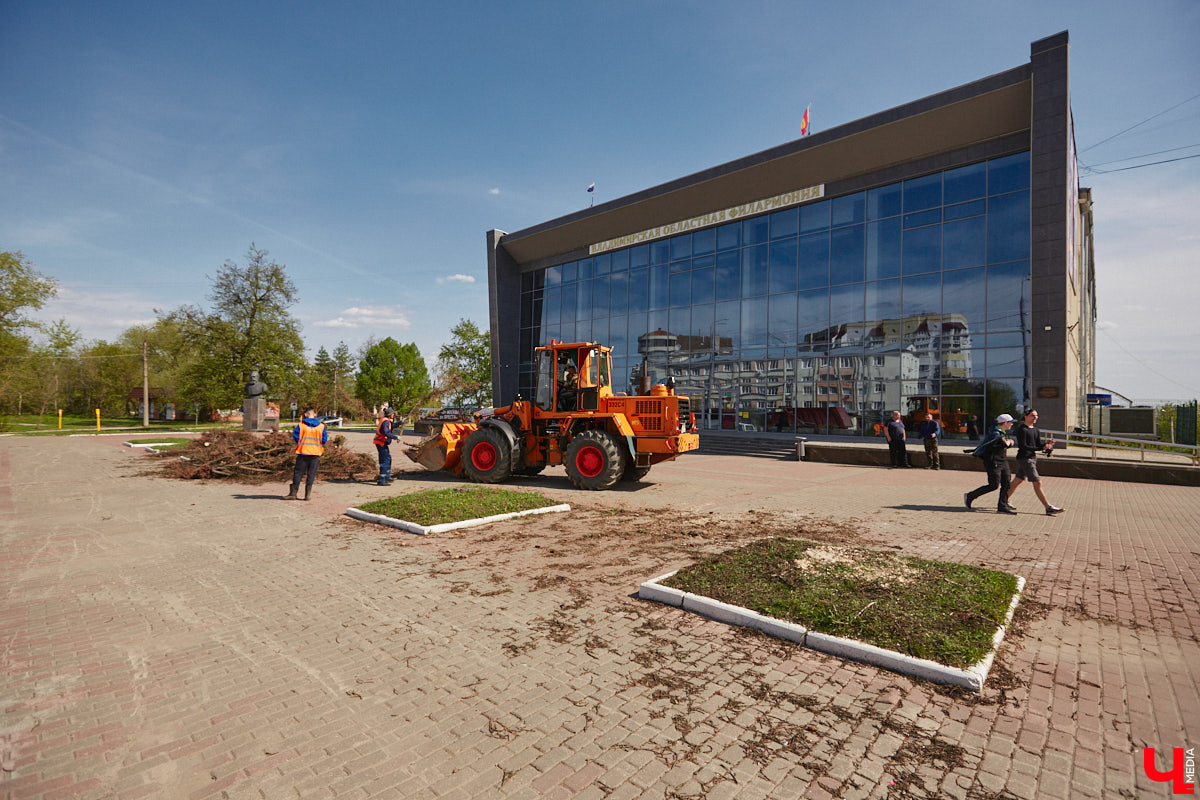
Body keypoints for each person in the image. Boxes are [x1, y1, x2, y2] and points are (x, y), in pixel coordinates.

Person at [1008, 409, 1065, 515]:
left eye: (1036, 415)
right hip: (1025, 459)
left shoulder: (1036, 430)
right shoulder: (1022, 429)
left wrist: (1046, 445)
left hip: (1032, 458)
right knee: (1037, 482)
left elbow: (1038, 445)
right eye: (1032, 415)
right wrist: (1041, 448)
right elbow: (1024, 446)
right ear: (1026, 416)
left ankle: (1003, 501)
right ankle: (1048, 507)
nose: (1035, 417)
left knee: (1018, 480)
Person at [965, 413, 1016, 514]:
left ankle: (1002, 506)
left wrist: (1008, 443)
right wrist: (1005, 444)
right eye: (1011, 422)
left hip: (1003, 461)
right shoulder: (995, 434)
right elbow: (991, 448)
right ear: (1005, 423)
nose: (1012, 424)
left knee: (1007, 483)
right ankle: (970, 495)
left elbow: (1001, 445)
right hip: (993, 462)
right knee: (993, 485)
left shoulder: (1002, 432)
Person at [286, 408, 327, 501]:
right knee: (311, 474)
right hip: (315, 453)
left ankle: (293, 494)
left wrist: (302, 442)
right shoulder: (321, 426)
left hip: (303, 452)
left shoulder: (301, 426)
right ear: (315, 414)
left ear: (305, 414)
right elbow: (324, 440)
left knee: (298, 473)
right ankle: (307, 495)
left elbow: (296, 437)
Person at [373, 407, 399, 486]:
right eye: (393, 413)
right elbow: (385, 432)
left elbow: (393, 425)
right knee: (385, 460)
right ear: (390, 414)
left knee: (388, 458)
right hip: (381, 442)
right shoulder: (386, 422)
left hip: (381, 442)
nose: (394, 414)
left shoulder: (386, 420)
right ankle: (382, 480)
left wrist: (401, 422)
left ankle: (387, 477)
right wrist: (395, 437)